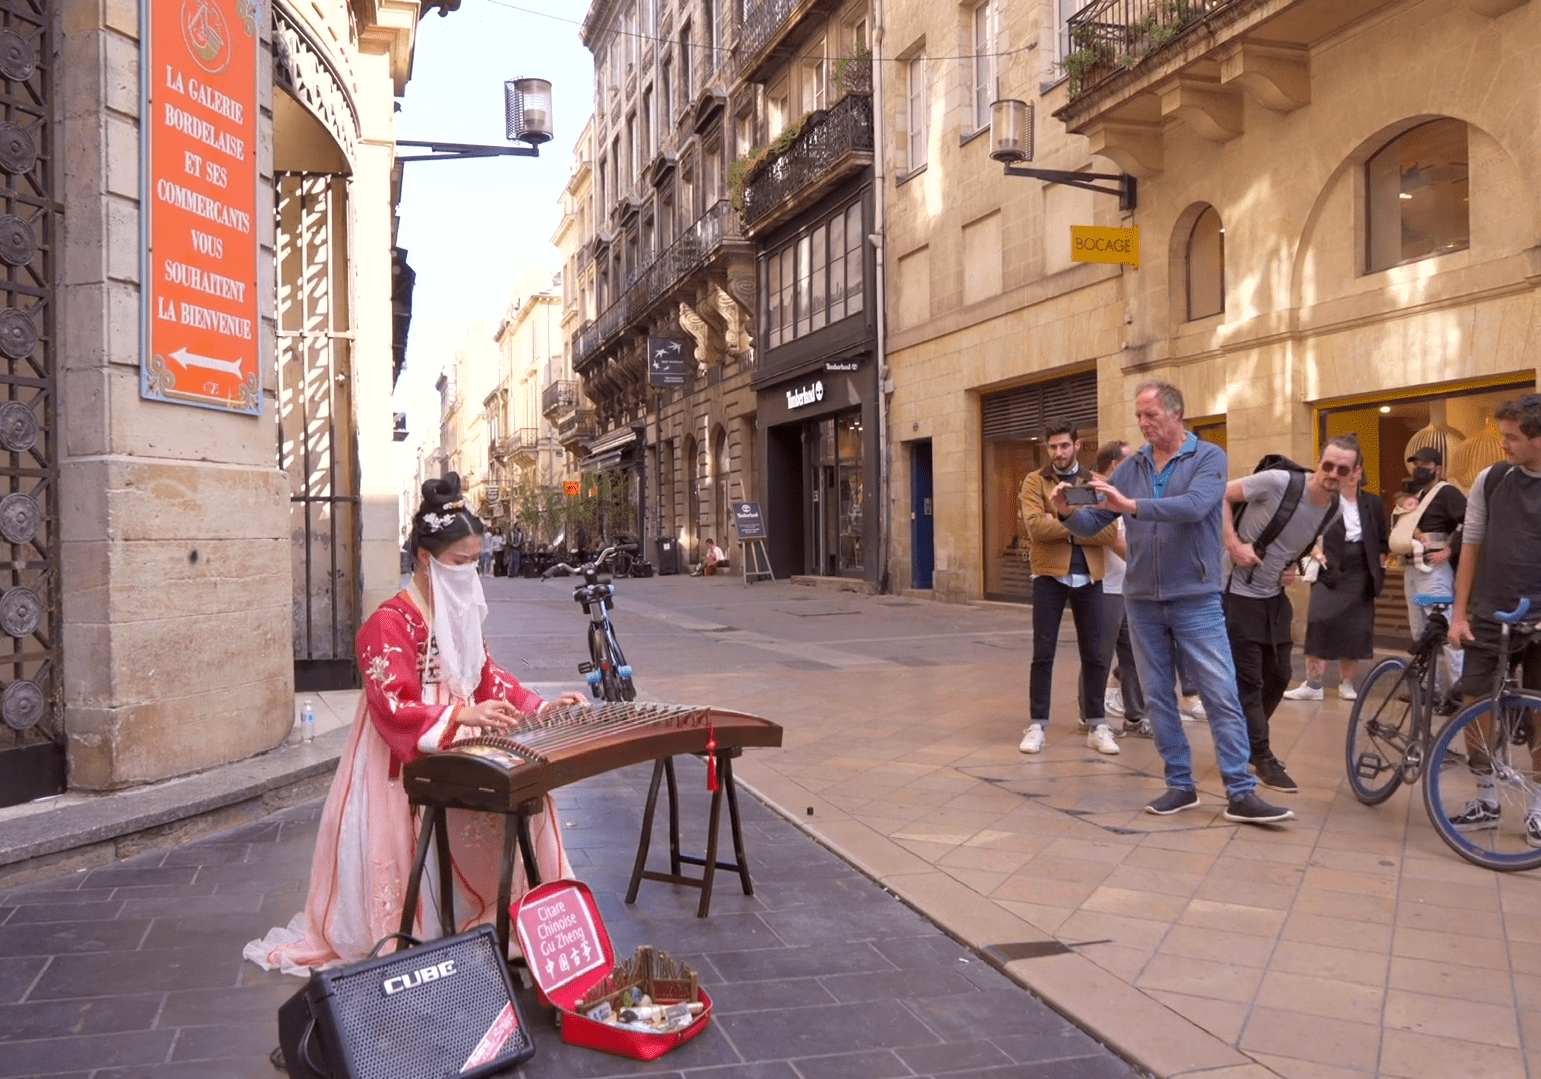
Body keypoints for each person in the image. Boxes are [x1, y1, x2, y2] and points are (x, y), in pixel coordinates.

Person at [245, 474, 587, 975]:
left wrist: (540, 707)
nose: (470, 573)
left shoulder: (457, 612)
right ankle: (439, 926)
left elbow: (487, 676)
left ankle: (511, 918)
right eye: (459, 562)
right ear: (426, 559)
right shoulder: (387, 623)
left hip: (458, 741)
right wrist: (459, 714)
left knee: (530, 802)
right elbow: (393, 705)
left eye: (476, 562)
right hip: (406, 755)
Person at [1059, 380, 1292, 823]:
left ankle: (1240, 792)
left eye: (1151, 415)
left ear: (1176, 413)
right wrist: (1069, 512)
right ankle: (1180, 786)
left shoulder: (1209, 458)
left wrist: (1132, 505)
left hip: (1196, 597)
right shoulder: (1133, 467)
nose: (1143, 423)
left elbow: (1194, 506)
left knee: (1220, 694)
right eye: (1139, 416)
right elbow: (1096, 522)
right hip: (1143, 599)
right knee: (1158, 696)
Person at [1220, 438, 1354, 792]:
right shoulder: (1279, 482)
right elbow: (1218, 495)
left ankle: (1243, 742)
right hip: (1238, 592)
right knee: (1250, 682)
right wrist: (1234, 545)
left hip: (1274, 597)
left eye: (1342, 469)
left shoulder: (1335, 508)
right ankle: (1261, 755)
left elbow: (1302, 538)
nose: (1333, 474)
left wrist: (1292, 564)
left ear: (1353, 474)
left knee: (1279, 675)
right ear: (1319, 461)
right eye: (1328, 465)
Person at [1446, 394, 1541, 844]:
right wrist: (1459, 613)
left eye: (1512, 438)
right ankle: (1485, 797)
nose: (1503, 445)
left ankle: (1539, 808)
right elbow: (1472, 546)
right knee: (1475, 705)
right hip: (1490, 612)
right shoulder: (1492, 479)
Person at [1018, 423, 1121, 756]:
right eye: (1052, 447)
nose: (1058, 453)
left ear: (1077, 445)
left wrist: (1061, 519)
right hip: (1049, 575)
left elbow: (1108, 532)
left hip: (1089, 576)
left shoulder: (1095, 483)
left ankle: (1097, 724)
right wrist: (1080, 522)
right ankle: (1037, 724)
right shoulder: (1036, 481)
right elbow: (1035, 527)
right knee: (1042, 653)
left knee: (1094, 653)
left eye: (1064, 445)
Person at [1284, 450, 1389, 702]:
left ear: (1360, 471)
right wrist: (1316, 552)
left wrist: (1379, 567)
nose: (1349, 476)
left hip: (1361, 569)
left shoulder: (1372, 503)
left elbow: (1383, 540)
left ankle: (1347, 683)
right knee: (1319, 621)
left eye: (1353, 471)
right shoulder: (1325, 499)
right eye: (1344, 472)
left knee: (1355, 627)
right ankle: (1313, 684)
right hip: (1329, 566)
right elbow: (1305, 529)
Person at [1398, 446, 1467, 706]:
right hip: (1413, 569)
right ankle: (1428, 689)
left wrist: (1450, 550)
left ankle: (1458, 693)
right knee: (1420, 631)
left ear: (1438, 467)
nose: (1420, 467)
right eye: (1417, 462)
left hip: (1434, 573)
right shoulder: (1417, 495)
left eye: (1425, 463)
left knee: (1444, 627)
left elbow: (1470, 520)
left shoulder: (1447, 492)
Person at [1095, 439, 1150, 740]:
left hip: (1127, 588)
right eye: (1130, 461)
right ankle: (1090, 717)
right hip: (1104, 588)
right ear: (1116, 466)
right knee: (1100, 657)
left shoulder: (1121, 495)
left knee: (1133, 657)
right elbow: (1113, 539)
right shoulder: (1099, 495)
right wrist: (1150, 563)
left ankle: (1135, 717)